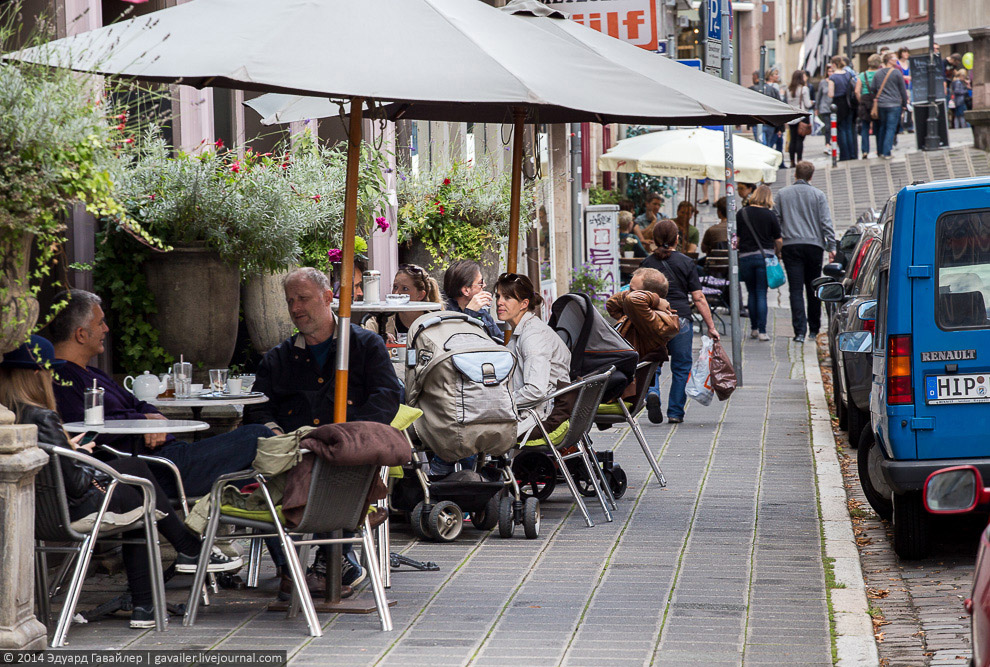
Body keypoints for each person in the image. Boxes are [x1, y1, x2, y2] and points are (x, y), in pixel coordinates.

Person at [1, 337, 242, 630]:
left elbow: (54, 471)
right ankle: (174, 565)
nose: (53, 378)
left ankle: (161, 584)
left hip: (38, 515)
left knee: (136, 475)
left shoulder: (13, 417)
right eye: (50, 371)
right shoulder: (44, 416)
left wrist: (75, 453)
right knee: (139, 488)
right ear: (37, 374)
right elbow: (76, 484)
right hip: (73, 510)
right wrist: (86, 461)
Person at [244, 267, 402, 596]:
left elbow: (387, 399)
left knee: (326, 473)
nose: (296, 308)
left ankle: (321, 563)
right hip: (291, 458)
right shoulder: (278, 358)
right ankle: (317, 564)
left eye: (303, 299)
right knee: (269, 479)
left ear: (328, 298)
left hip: (347, 459)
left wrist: (350, 438)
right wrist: (277, 436)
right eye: (290, 301)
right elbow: (256, 409)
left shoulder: (364, 345)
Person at [49, 290, 273, 500]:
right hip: (151, 468)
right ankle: (289, 531)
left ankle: (275, 537)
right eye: (100, 323)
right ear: (81, 334)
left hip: (168, 457)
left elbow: (141, 405)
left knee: (261, 472)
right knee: (259, 437)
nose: (106, 329)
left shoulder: (95, 374)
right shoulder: (61, 379)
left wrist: (154, 420)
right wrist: (144, 423)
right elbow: (83, 430)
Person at [639, 220, 720, 424]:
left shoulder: (646, 264)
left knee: (651, 361)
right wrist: (711, 327)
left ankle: (652, 391)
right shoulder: (686, 262)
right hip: (680, 319)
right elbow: (699, 298)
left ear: (654, 239)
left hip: (653, 319)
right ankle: (675, 412)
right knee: (682, 366)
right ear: (677, 238)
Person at [494, 273, 571, 437]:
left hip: (540, 417)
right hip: (536, 410)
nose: (499, 302)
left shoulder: (532, 336)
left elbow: (535, 390)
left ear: (524, 304)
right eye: (498, 296)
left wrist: (499, 402)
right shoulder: (525, 329)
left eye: (507, 297)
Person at [773, 162, 836, 343]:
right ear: (811, 176)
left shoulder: (782, 194)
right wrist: (831, 246)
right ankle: (814, 329)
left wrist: (777, 244)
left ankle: (799, 331)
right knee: (813, 287)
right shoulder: (818, 195)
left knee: (795, 289)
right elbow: (826, 222)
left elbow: (775, 221)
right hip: (813, 246)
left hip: (791, 246)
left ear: (795, 175)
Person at [736, 186, 783, 342]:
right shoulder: (770, 215)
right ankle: (762, 331)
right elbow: (779, 240)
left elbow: (737, 237)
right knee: (761, 293)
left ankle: (754, 329)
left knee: (751, 292)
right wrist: (777, 252)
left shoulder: (741, 213)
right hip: (764, 258)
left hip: (745, 257)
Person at [364, 263, 442, 341]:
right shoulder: (381, 319)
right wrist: (379, 339)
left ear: (420, 295)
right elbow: (364, 341)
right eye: (395, 287)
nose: (396, 293)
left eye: (405, 289)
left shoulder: (436, 323)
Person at [442, 259, 502, 340]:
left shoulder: (480, 310)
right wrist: (470, 313)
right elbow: (458, 342)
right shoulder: (444, 313)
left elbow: (498, 338)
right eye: (480, 282)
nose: (484, 285)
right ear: (466, 290)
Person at [870, 52, 909, 159]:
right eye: (894, 58)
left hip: (881, 104)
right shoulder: (896, 73)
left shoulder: (878, 73)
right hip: (894, 103)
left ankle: (880, 151)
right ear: (889, 60)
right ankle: (887, 152)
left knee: (882, 127)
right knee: (890, 128)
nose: (896, 60)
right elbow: (902, 90)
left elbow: (873, 88)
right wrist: (905, 103)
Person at [827, 55, 857, 161]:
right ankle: (852, 153)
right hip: (849, 103)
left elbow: (831, 94)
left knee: (841, 129)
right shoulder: (848, 74)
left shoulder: (833, 77)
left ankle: (844, 154)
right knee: (849, 129)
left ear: (834, 64)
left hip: (838, 104)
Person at [783, 70, 814, 167]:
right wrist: (813, 103)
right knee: (800, 140)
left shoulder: (788, 89)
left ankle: (792, 161)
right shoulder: (804, 89)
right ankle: (799, 160)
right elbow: (807, 104)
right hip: (801, 117)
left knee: (793, 139)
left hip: (792, 117)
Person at [856, 54, 883, 159]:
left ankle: (865, 151)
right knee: (878, 127)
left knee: (865, 127)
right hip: (877, 102)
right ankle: (879, 150)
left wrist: (861, 100)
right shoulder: (880, 74)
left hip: (865, 102)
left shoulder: (862, 75)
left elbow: (857, 91)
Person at [816, 64, 835, 154]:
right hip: (825, 107)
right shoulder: (823, 82)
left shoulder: (836, 80)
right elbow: (819, 95)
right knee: (827, 127)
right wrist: (817, 107)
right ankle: (827, 144)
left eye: (832, 71)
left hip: (834, 107)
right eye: (829, 71)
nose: (831, 73)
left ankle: (835, 144)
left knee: (835, 127)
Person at [895, 46, 914, 132]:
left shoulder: (909, 63)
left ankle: (909, 125)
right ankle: (901, 126)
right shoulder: (897, 64)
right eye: (904, 52)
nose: (906, 54)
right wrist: (905, 77)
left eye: (907, 52)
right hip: (900, 88)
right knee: (901, 106)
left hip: (908, 87)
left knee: (909, 107)